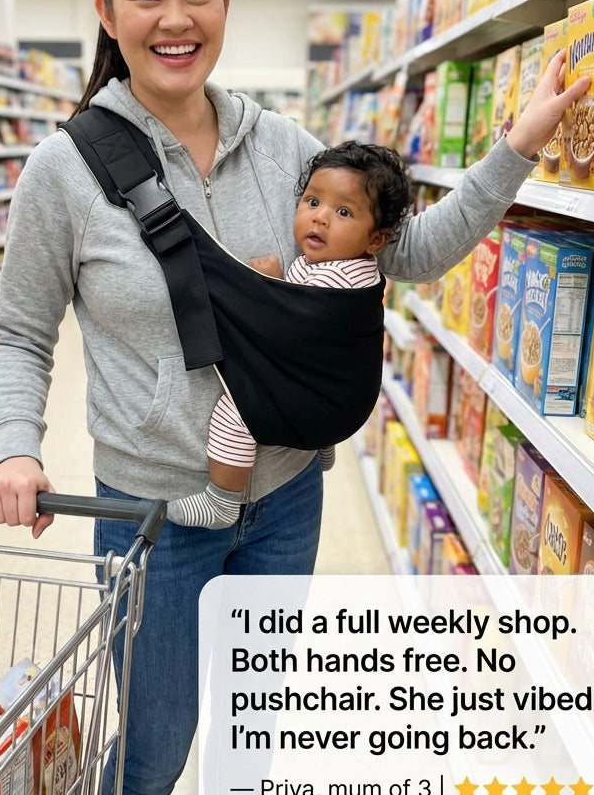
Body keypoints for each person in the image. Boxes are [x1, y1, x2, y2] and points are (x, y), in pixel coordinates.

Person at [0, 0, 590, 795]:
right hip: (152, 517)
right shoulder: (64, 172)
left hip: (283, 500)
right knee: (156, 739)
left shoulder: (288, 150)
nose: (176, 19)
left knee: (254, 721)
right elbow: (19, 333)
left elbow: (406, 253)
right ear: (106, 12)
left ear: (226, 1)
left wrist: (516, 148)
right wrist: (14, 447)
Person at [168, 139, 411, 530]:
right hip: (337, 402)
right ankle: (320, 446)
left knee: (237, 408)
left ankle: (222, 500)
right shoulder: (355, 269)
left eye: (343, 211)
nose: (321, 218)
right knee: (318, 372)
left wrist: (268, 287)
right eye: (313, 202)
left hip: (317, 404)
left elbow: (285, 333)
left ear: (376, 239)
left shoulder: (332, 275)